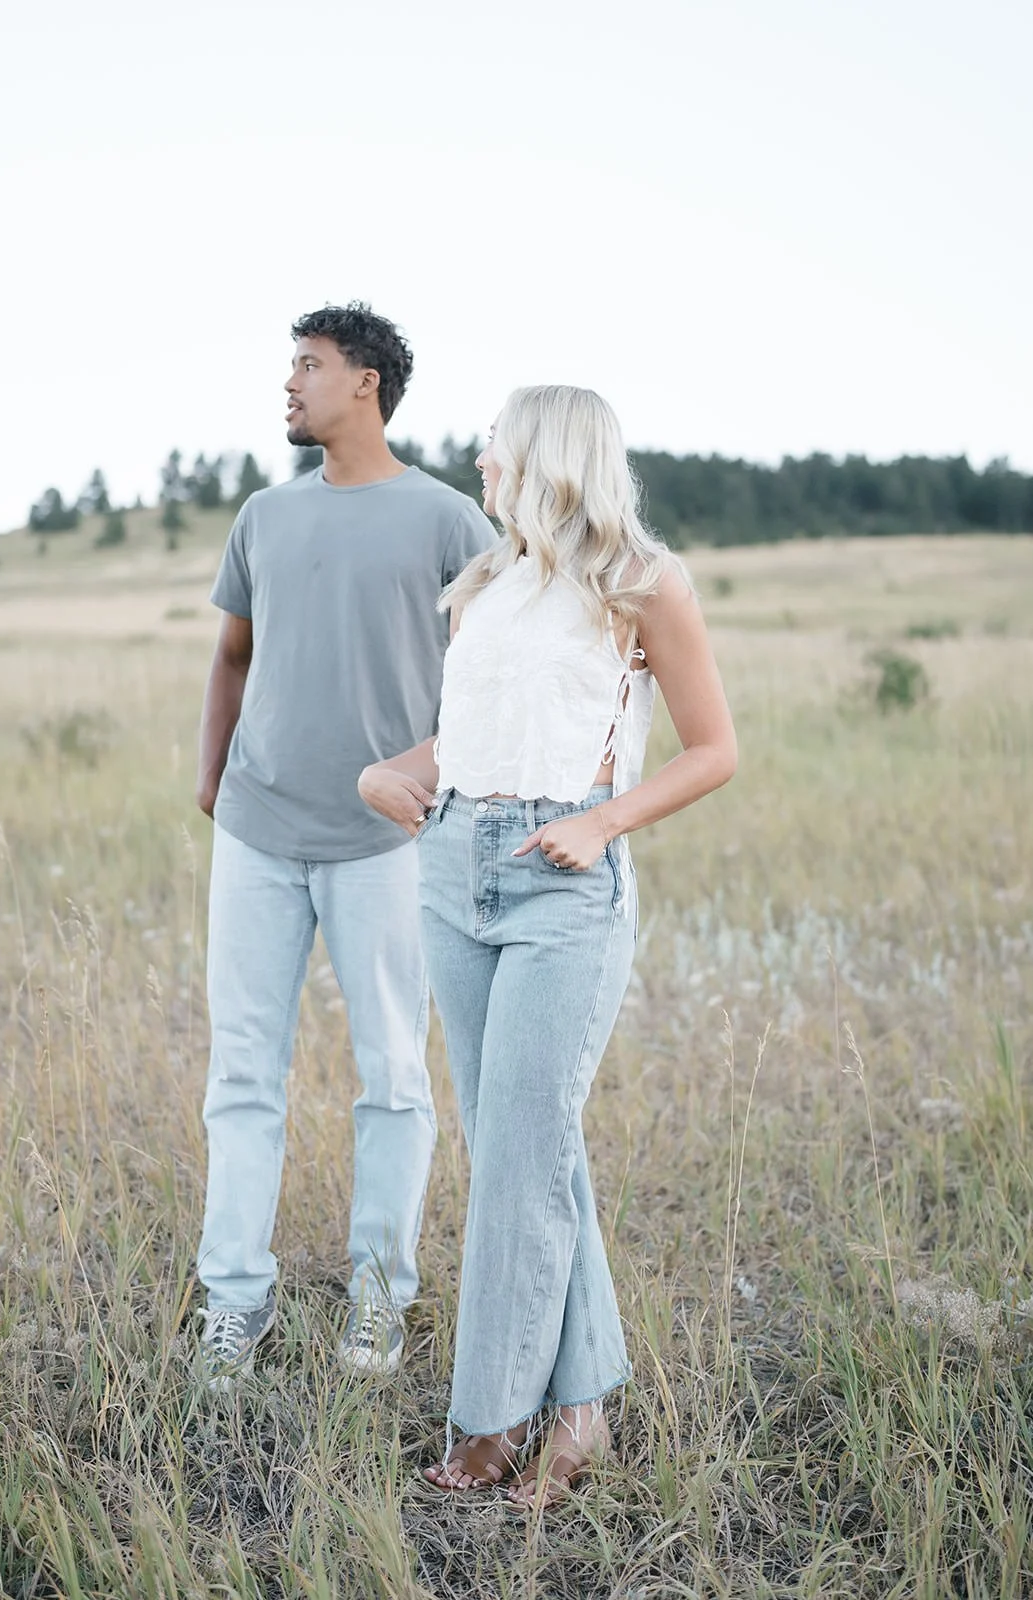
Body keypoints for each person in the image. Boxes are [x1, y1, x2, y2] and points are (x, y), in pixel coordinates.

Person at [358, 385, 737, 1507]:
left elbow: (712, 748)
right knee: (523, 1152)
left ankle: (495, 1422)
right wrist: (398, 773)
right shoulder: (484, 585)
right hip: (453, 867)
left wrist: (601, 819)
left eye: (495, 442)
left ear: (543, 455)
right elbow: (478, 729)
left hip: (563, 878)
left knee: (525, 1155)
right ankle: (584, 1408)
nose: (478, 457)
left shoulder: (641, 581)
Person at [195, 303, 497, 1386]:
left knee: (392, 1077)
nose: (290, 383)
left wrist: (426, 778)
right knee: (242, 1072)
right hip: (259, 834)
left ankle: (378, 1296)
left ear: (364, 381)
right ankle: (233, 1301)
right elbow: (230, 654)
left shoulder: (449, 521)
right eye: (291, 365)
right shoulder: (264, 517)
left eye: (308, 365)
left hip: (384, 846)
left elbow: (489, 681)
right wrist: (212, 769)